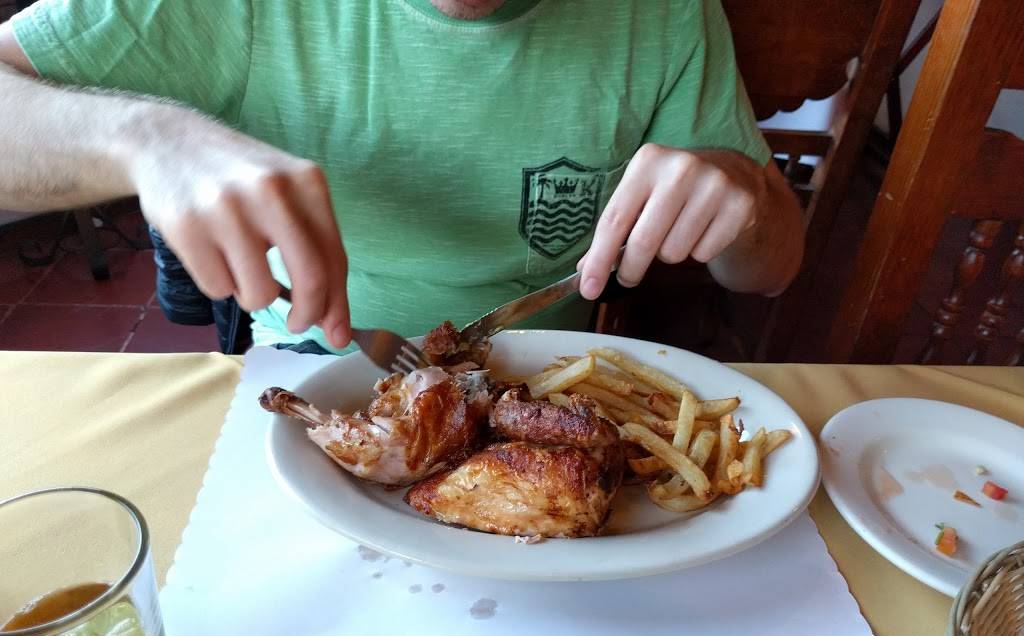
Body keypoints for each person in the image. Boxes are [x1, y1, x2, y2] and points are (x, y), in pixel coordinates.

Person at [0, 0, 803, 354]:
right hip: (309, 367)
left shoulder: (666, 10)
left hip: (558, 381)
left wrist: (745, 207)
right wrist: (147, 139)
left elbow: (775, 270)